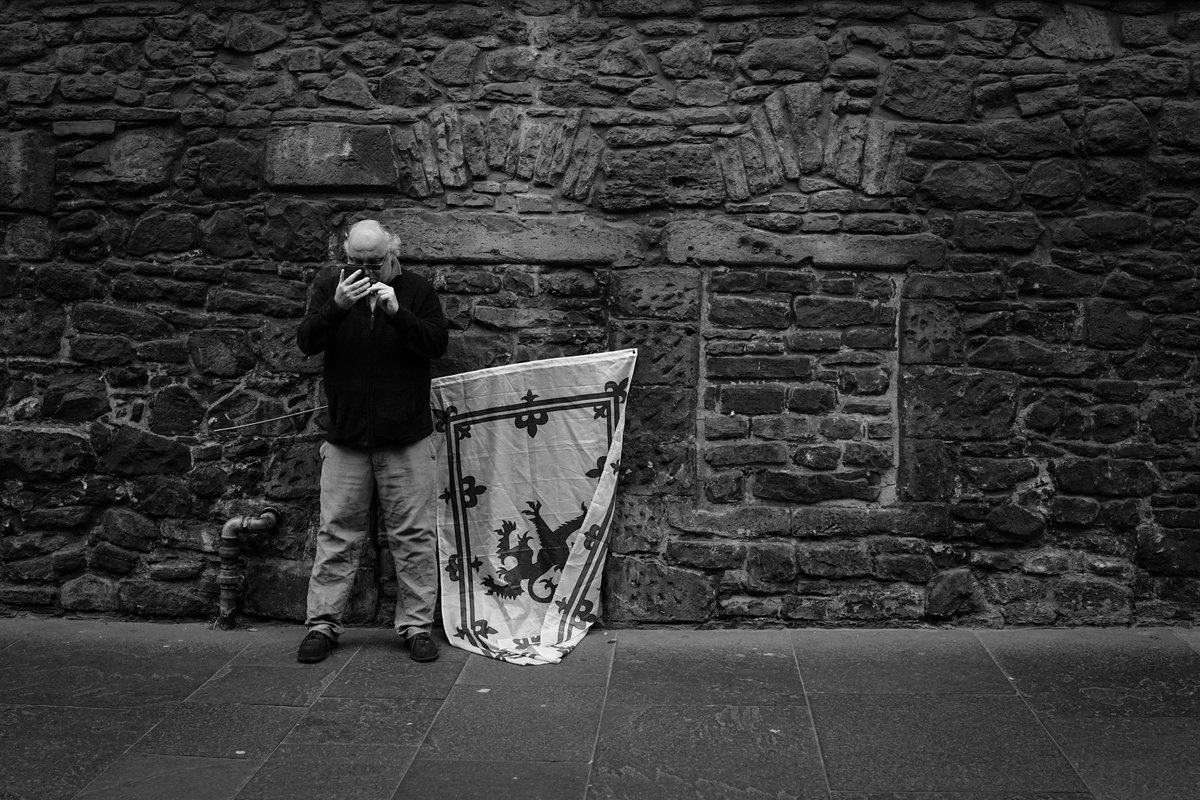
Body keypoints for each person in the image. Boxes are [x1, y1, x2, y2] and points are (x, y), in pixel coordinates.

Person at [295, 218, 449, 664]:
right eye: (356, 261)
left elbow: (436, 344)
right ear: (345, 252)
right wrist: (338, 307)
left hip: (406, 438)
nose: (365, 270)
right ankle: (322, 626)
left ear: (391, 252)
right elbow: (306, 342)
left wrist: (400, 314)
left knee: (414, 536)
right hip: (346, 439)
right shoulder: (329, 287)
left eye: (375, 262)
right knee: (337, 534)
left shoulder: (416, 288)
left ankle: (417, 626)